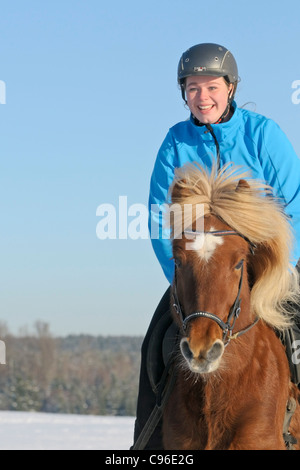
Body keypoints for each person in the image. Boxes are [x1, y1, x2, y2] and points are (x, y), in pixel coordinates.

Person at [132, 43, 300, 450]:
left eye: (211, 86)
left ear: (230, 87)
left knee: (298, 329)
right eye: (192, 88)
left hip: (266, 267)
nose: (202, 97)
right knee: (154, 344)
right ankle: (147, 442)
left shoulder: (263, 134)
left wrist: (276, 270)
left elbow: (294, 204)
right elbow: (159, 219)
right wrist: (182, 274)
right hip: (197, 271)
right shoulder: (175, 142)